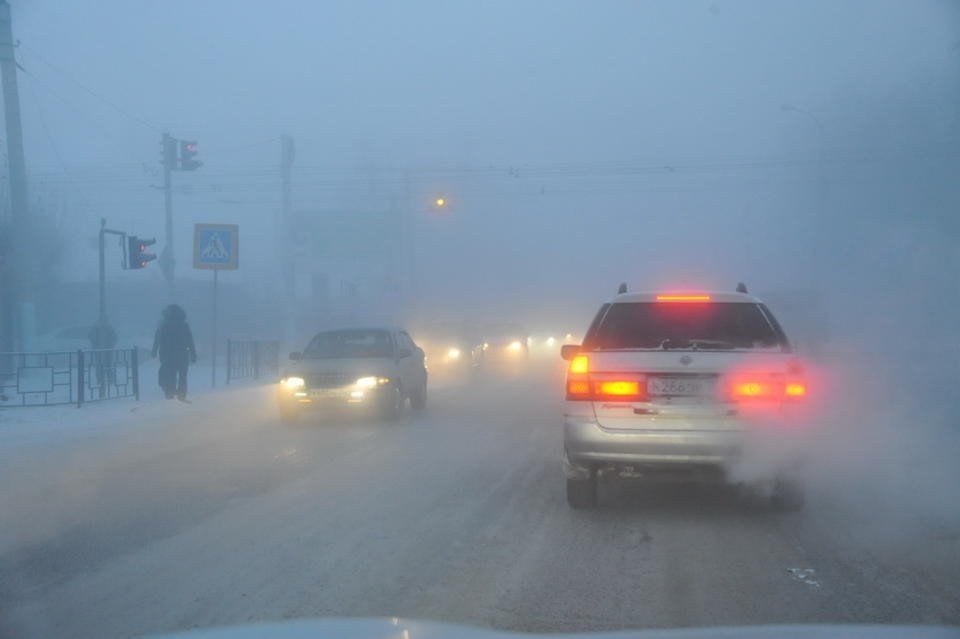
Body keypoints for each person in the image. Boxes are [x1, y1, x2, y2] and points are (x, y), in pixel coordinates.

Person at [152, 304, 197, 401]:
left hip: (168, 355)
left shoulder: (164, 324)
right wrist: (193, 354)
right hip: (182, 355)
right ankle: (181, 396)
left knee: (170, 375)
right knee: (182, 377)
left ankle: (170, 394)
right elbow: (190, 340)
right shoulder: (184, 324)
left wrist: (154, 350)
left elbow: (158, 338)